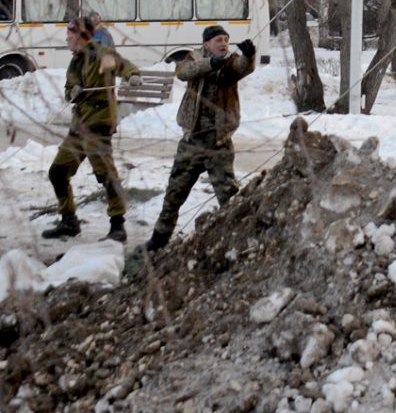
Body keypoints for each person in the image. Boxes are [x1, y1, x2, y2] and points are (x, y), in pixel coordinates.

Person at [146, 23, 257, 251]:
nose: (224, 44)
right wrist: (210, 64)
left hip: (218, 143)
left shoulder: (230, 62)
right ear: (206, 44)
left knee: (228, 197)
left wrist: (249, 55)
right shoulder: (193, 57)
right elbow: (184, 72)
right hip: (191, 142)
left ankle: (238, 241)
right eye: (218, 40)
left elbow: (242, 68)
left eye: (226, 40)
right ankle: (158, 240)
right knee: (174, 194)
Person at [44, 15, 136, 241]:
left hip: (99, 122)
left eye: (70, 35)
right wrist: (72, 91)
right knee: (58, 172)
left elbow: (122, 65)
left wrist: (133, 76)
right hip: (80, 125)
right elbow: (68, 90)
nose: (67, 39)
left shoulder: (100, 55)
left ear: (81, 36)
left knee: (105, 174)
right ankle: (69, 221)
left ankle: (118, 226)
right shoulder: (75, 61)